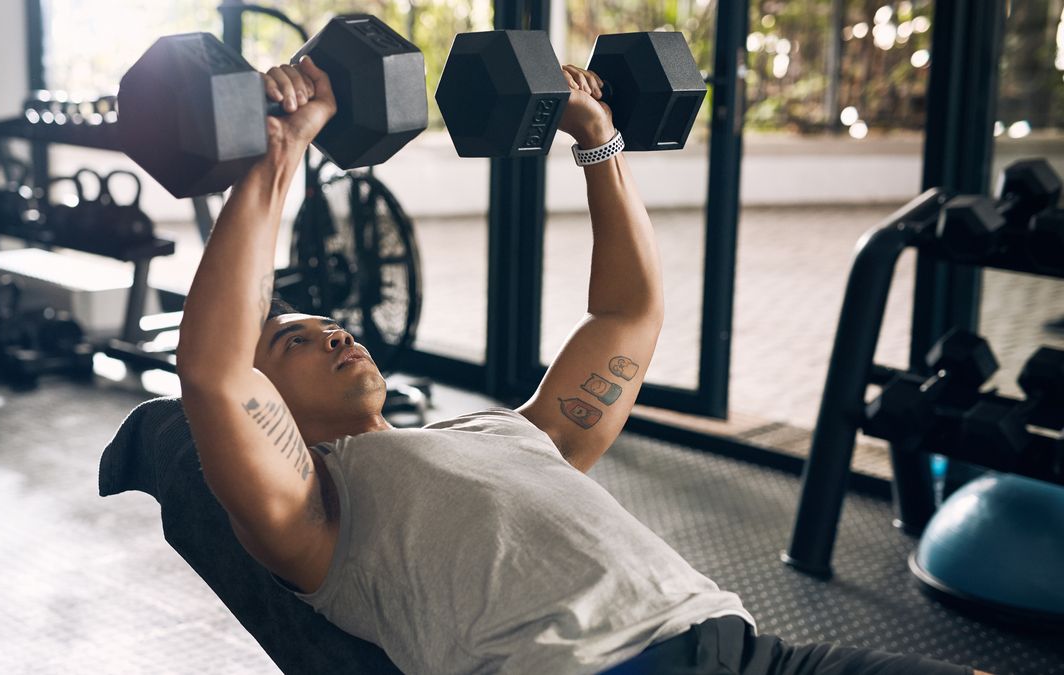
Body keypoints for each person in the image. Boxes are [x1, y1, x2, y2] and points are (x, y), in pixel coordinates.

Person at [175, 56, 988, 675]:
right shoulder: (315, 513)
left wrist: (597, 137)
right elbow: (215, 372)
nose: (335, 335)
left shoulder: (518, 432)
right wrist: (280, 155)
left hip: (750, 650)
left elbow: (626, 314)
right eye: (295, 341)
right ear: (268, 403)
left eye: (331, 324)